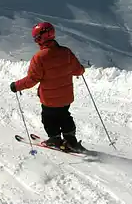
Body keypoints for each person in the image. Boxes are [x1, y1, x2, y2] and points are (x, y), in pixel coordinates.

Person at [9, 22, 86, 152]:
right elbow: (79, 71)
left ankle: (55, 140)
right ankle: (70, 139)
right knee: (65, 115)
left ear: (40, 38)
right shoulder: (66, 52)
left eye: (36, 38)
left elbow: (32, 79)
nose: (36, 41)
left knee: (49, 118)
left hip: (49, 99)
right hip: (66, 97)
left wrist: (17, 86)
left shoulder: (39, 57)